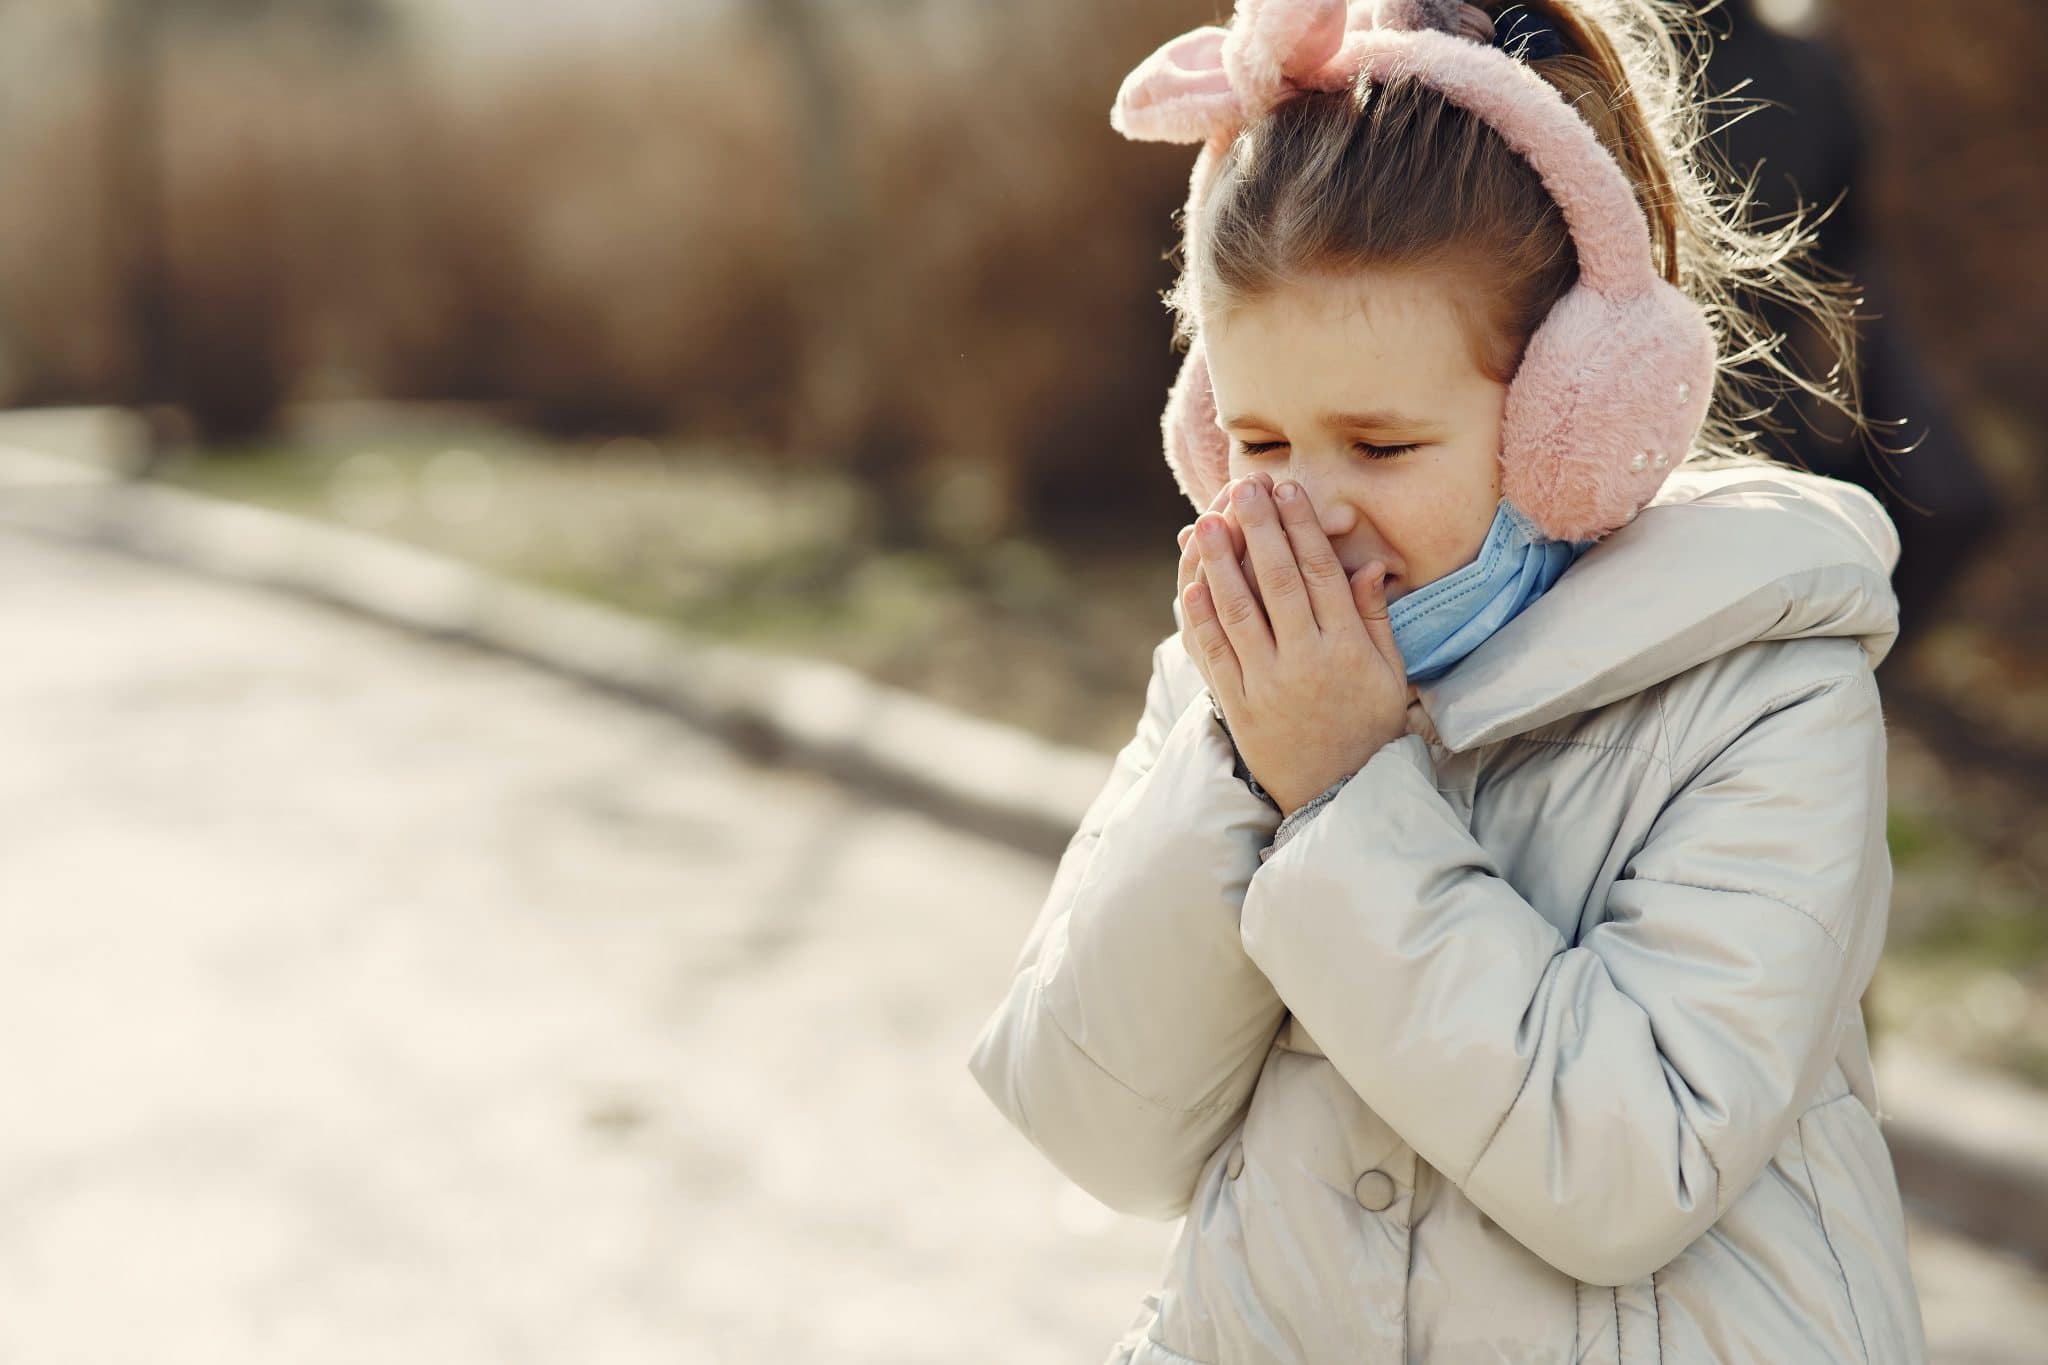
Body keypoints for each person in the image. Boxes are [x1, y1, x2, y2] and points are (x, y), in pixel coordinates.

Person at [964, 2, 1928, 1362]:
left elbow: (1626, 1167)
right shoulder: (1230, 688)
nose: (1313, 508)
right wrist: (1244, 769)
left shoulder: (1766, 690)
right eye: (1259, 439)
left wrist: (1350, 793)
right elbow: (1095, 1121)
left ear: (1569, 419)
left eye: (1381, 441)